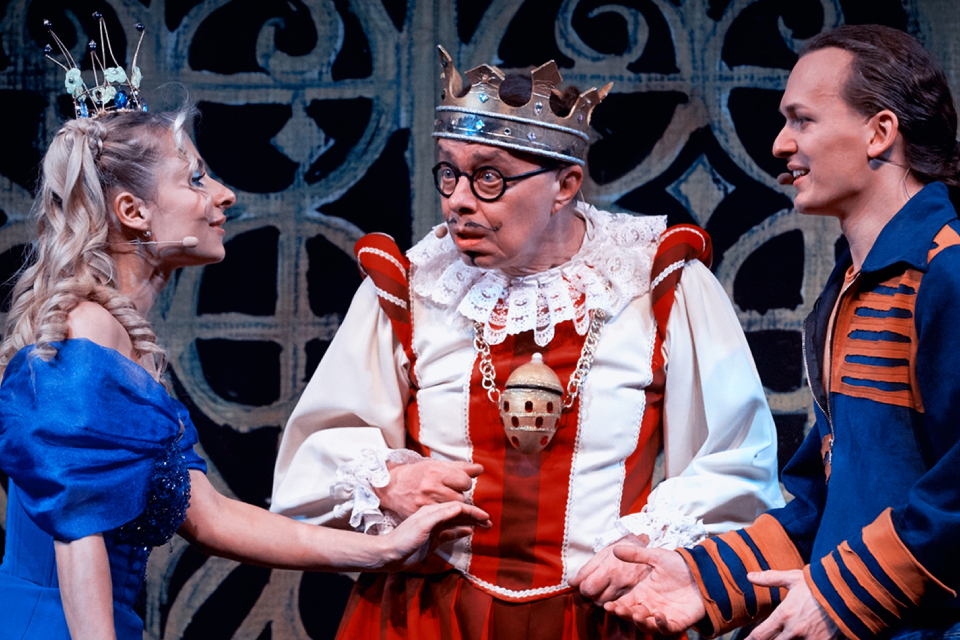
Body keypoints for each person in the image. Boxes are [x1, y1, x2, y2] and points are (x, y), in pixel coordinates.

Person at [270, 45, 784, 639]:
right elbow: (318, 448)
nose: (459, 199)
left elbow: (737, 457)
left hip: (601, 616)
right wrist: (388, 480)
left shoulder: (657, 284)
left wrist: (649, 539)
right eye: (449, 172)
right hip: (430, 617)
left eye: (489, 176)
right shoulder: (414, 288)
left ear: (565, 184)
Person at [0, 18, 489, 640]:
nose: (224, 194)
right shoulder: (88, 330)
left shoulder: (118, 338)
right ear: (132, 211)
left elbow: (208, 517)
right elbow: (77, 534)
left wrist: (381, 550)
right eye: (195, 179)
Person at [604, 24, 960, 640]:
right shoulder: (853, 285)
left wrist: (843, 595)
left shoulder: (946, 270)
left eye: (802, 120)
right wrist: (705, 576)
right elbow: (830, 494)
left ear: (879, 132)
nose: (779, 144)